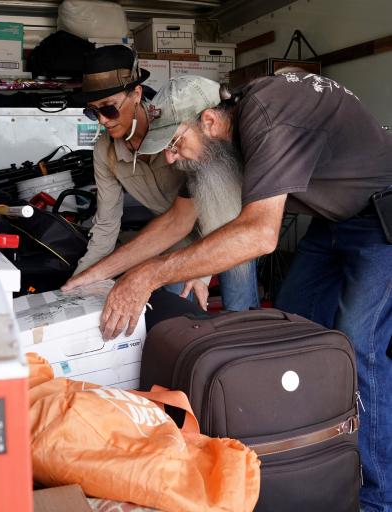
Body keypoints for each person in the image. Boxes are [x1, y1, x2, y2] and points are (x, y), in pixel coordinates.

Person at [66, 73, 392, 511]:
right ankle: (304, 455)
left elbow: (260, 235)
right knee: (293, 328)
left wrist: (146, 278)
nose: (170, 154)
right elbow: (176, 223)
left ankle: (377, 496)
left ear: (209, 122)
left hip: (382, 215)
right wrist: (92, 277)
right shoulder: (218, 141)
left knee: (360, 344)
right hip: (334, 220)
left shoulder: (267, 116)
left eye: (176, 141)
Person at [72, 45, 258, 311]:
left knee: (240, 312)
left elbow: (212, 206)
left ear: (136, 94)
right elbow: (107, 224)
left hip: (225, 222)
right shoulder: (105, 151)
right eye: (93, 112)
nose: (102, 120)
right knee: (176, 315)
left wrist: (201, 270)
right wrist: (80, 282)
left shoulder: (180, 128)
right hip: (172, 238)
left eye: (109, 109)